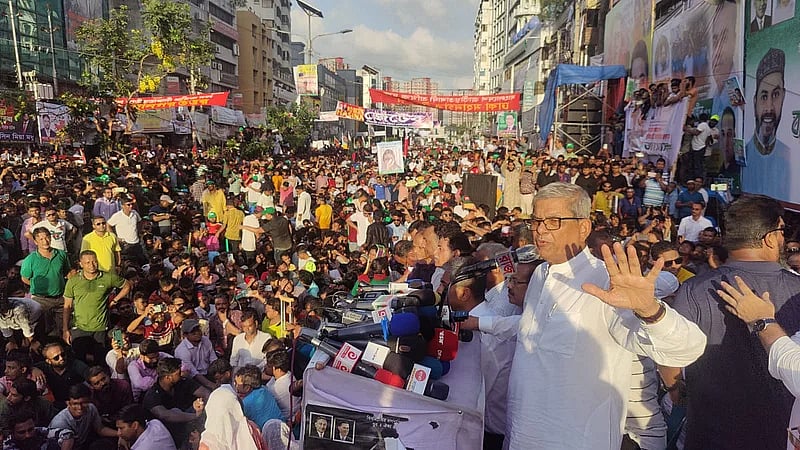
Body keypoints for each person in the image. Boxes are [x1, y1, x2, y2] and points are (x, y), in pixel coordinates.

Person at [465, 182, 706, 449]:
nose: (541, 230)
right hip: (521, 435)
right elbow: (531, 329)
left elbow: (686, 349)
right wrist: (479, 323)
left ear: (583, 227)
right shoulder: (540, 276)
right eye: (536, 221)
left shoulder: (606, 282)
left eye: (554, 221)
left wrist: (650, 311)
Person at [665, 194, 800, 449]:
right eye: (782, 231)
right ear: (770, 237)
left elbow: (670, 356)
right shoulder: (796, 290)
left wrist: (676, 389)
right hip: (778, 437)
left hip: (709, 435)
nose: (784, 238)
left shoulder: (693, 289)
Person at [63, 250, 131, 363]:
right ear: (81, 264)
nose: (92, 265)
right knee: (79, 360)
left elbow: (127, 285)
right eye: (88, 262)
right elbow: (67, 305)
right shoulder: (73, 281)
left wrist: (114, 301)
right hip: (80, 327)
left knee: (101, 359)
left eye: (94, 261)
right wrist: (65, 329)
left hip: (101, 328)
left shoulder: (107, 277)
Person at [744, 48, 790, 201]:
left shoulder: (788, 155)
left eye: (776, 95)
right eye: (764, 96)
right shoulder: (746, 154)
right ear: (755, 100)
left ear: (783, 96)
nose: (769, 107)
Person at [141, 358, 208, 446]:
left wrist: (200, 404)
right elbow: (165, 415)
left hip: (189, 423)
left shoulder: (183, 382)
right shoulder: (152, 395)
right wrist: (194, 416)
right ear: (168, 377)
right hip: (166, 433)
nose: (181, 374)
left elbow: (206, 393)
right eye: (178, 373)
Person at [21, 228, 69, 336]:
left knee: (63, 330)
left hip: (60, 298)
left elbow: (66, 272)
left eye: (47, 237)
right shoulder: (30, 259)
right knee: (42, 331)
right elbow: (25, 278)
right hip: (40, 300)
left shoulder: (61, 254)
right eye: (41, 239)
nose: (45, 241)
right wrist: (38, 286)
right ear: (35, 241)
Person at [48, 384, 118, 450]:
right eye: (75, 404)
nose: (80, 407)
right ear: (68, 403)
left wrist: (121, 434)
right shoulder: (60, 423)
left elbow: (100, 429)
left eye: (84, 403)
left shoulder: (91, 408)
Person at [233, 365, 284, 429]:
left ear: (247, 388)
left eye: (237, 383)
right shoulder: (264, 389)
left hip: (268, 435)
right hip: (283, 427)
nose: (235, 385)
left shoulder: (246, 404)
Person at [3, 410, 74, 450]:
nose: (28, 435)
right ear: (12, 433)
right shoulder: (8, 446)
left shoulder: (38, 431)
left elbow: (67, 434)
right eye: (21, 432)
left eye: (30, 430)